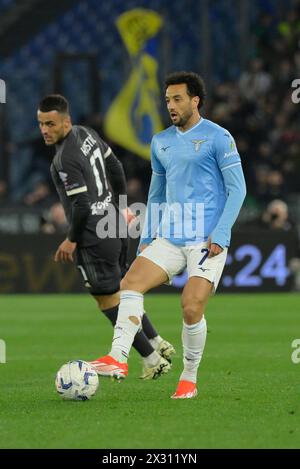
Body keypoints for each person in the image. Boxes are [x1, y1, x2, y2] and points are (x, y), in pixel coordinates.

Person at [94, 71, 247, 398]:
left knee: (191, 307)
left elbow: (238, 190)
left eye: (177, 99)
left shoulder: (219, 137)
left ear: (195, 100)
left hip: (207, 240)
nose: (171, 106)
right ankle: (118, 358)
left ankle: (189, 378)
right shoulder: (160, 142)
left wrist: (221, 233)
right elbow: (156, 194)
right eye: (167, 100)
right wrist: (147, 236)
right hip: (170, 236)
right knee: (130, 283)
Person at [37, 94, 175, 379]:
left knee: (108, 300)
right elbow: (115, 167)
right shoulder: (86, 134)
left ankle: (150, 359)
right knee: (125, 291)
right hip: (113, 225)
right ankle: (156, 341)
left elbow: (81, 204)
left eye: (50, 124)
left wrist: (72, 239)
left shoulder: (64, 159)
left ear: (66, 121)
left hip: (92, 237)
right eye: (41, 124)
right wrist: (122, 207)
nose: (45, 130)